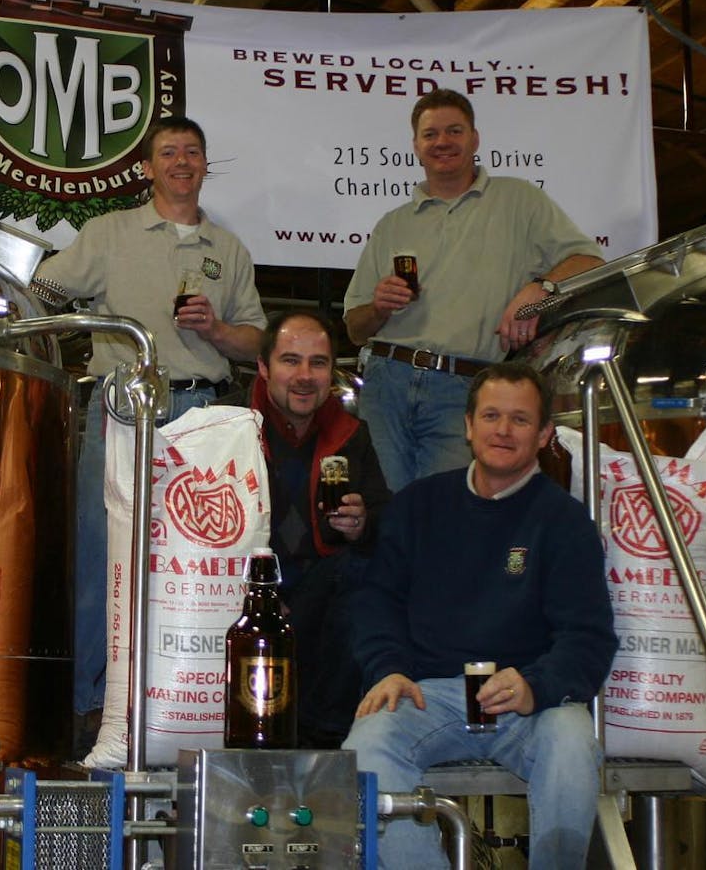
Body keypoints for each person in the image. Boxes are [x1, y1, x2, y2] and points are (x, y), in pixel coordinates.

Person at [33, 116, 266, 753]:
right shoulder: (107, 234)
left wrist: (218, 331)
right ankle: (88, 714)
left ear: (204, 164)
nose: (181, 162)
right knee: (97, 563)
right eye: (168, 152)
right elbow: (45, 287)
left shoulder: (229, 249)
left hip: (200, 422)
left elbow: (256, 340)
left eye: (192, 151)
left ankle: (190, 710)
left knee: (196, 567)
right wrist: (74, 322)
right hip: (121, 412)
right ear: (147, 168)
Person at [343, 362, 618, 870]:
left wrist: (539, 683)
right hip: (430, 692)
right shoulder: (417, 506)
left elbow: (590, 636)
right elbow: (376, 600)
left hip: (529, 703)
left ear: (543, 435)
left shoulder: (564, 522)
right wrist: (388, 669)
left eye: (519, 419)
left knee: (575, 743)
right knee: (369, 743)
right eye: (491, 415)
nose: (503, 430)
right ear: (468, 427)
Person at [343, 88, 604, 492]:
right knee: (383, 518)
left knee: (447, 513)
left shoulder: (519, 199)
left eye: (454, 131)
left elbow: (589, 261)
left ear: (475, 139)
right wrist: (378, 307)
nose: (442, 142)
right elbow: (355, 328)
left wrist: (540, 287)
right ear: (415, 145)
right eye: (430, 134)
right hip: (385, 384)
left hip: (464, 388)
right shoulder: (392, 224)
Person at [250, 309, 391, 747]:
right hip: (244, 594)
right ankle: (315, 733)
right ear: (263, 367)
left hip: (317, 597)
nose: (305, 376)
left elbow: (386, 516)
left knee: (368, 571)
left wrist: (363, 522)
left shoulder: (351, 433)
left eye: (319, 363)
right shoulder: (229, 426)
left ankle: (324, 736)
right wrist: (263, 593)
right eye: (291, 361)